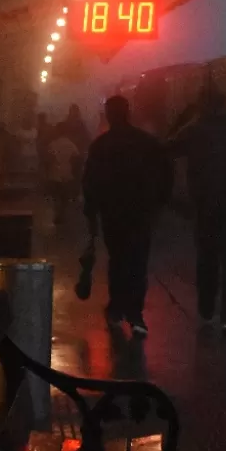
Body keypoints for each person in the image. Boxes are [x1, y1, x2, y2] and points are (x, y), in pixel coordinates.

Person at [166, 84, 226, 336]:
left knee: (207, 258)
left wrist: (182, 119)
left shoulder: (194, 130)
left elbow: (167, 149)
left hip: (205, 203)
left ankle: (206, 309)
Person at [81, 95, 173, 337]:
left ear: (108, 115)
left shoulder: (100, 146)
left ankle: (116, 308)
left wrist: (91, 215)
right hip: (141, 213)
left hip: (112, 214)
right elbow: (165, 173)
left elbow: (90, 183)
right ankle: (135, 313)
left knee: (118, 260)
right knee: (138, 262)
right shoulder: (147, 143)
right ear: (128, 112)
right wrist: (160, 203)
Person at [45, 126, 81, 225]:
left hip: (54, 174)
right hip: (67, 174)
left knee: (56, 196)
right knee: (64, 197)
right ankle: (62, 214)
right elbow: (76, 157)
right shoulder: (71, 144)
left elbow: (48, 159)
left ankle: (58, 214)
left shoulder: (52, 144)